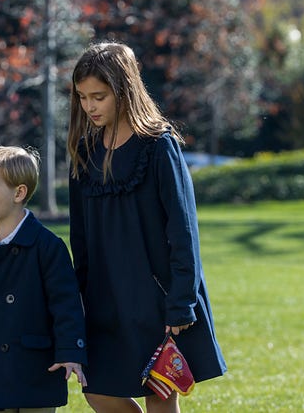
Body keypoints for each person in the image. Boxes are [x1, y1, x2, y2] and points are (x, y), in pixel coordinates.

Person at [67, 42, 227, 413]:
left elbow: (183, 229)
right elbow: (81, 239)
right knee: (97, 391)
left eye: (99, 96)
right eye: (82, 97)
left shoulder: (158, 146)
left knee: (159, 393)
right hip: (104, 298)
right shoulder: (85, 152)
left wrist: (182, 302)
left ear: (123, 90)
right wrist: (78, 298)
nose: (89, 106)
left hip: (156, 297)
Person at [0, 146, 87, 412]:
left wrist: (70, 351)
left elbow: (66, 304)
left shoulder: (48, 246)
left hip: (36, 367)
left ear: (19, 192)